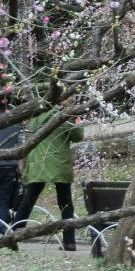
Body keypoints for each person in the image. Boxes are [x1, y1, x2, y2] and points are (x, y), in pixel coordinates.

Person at [11, 97, 83, 250]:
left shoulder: (37, 114)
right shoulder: (65, 116)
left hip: (39, 163)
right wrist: (77, 120)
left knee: (28, 200)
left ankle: (14, 233)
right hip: (59, 163)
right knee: (66, 204)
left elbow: (29, 133)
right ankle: (69, 241)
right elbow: (78, 136)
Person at [0, 100, 21, 230]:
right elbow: (21, 147)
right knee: (4, 201)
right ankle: (2, 230)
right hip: (10, 165)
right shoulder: (16, 120)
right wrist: (21, 169)